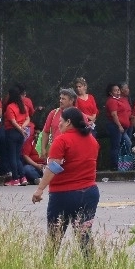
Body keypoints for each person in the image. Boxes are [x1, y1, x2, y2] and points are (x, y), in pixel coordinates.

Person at [32, 106, 100, 257]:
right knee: (84, 236)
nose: (59, 124)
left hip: (64, 194)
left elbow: (53, 167)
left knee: (54, 238)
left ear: (69, 122)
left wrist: (39, 189)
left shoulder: (62, 140)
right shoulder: (92, 140)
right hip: (89, 192)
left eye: (61, 121)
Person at [2, 87, 30, 186]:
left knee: (12, 156)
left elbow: (13, 122)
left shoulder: (10, 107)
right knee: (18, 156)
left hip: (12, 132)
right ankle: (23, 177)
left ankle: (15, 178)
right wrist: (23, 127)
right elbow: (28, 119)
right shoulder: (23, 106)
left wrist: (20, 129)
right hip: (20, 133)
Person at [40, 88, 77, 158]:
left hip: (71, 153)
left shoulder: (79, 115)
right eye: (60, 98)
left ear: (71, 100)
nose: (60, 101)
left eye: (63, 99)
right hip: (54, 151)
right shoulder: (53, 113)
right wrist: (43, 149)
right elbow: (45, 132)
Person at [103, 83, 130, 171]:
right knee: (115, 146)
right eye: (115, 90)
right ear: (111, 93)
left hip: (123, 127)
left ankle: (122, 164)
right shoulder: (112, 101)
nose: (118, 92)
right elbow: (114, 114)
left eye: (118, 90)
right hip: (115, 126)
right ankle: (114, 166)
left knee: (125, 144)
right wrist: (119, 126)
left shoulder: (120, 100)